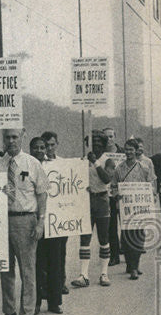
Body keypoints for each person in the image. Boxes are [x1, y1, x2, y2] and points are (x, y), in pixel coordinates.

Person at [0, 128, 48, 315]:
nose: (11, 141)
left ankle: (27, 314)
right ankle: (9, 310)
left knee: (27, 269)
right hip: (1, 220)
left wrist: (40, 221)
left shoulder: (32, 163)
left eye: (15, 137)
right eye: (7, 137)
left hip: (25, 220)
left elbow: (42, 194)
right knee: (5, 268)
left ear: (22, 137)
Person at [71, 131, 115, 288]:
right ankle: (84, 275)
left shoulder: (107, 160)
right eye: (92, 145)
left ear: (103, 146)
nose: (95, 148)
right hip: (87, 202)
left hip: (102, 200)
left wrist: (95, 162)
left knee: (103, 238)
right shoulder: (83, 161)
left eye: (98, 145)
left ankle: (104, 273)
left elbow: (107, 178)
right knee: (85, 238)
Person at [112, 137, 157, 280]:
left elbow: (151, 183)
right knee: (126, 236)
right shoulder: (119, 168)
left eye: (131, 150)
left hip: (139, 208)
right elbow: (114, 185)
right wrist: (116, 194)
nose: (128, 152)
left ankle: (135, 266)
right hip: (125, 207)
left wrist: (152, 196)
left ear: (136, 151)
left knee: (138, 235)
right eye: (126, 150)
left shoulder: (144, 167)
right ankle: (130, 263)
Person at [31, 136, 63, 315]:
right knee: (36, 263)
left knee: (55, 263)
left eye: (42, 147)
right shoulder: (27, 167)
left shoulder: (56, 166)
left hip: (55, 221)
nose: (40, 150)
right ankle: (35, 301)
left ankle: (54, 301)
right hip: (35, 222)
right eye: (35, 147)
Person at [40, 130, 69, 299]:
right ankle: (45, 286)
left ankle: (60, 283)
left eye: (52, 145)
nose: (49, 148)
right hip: (45, 215)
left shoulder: (64, 163)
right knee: (43, 254)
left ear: (57, 144)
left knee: (60, 252)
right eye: (47, 145)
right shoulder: (39, 163)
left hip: (60, 216)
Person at [101, 126, 123, 266]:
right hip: (108, 194)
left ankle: (129, 252)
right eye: (106, 137)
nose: (108, 140)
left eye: (111, 136)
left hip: (122, 193)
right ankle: (114, 255)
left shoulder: (123, 153)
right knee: (112, 226)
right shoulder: (100, 155)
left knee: (127, 225)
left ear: (115, 137)